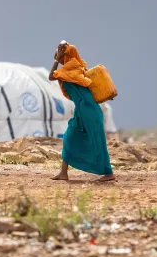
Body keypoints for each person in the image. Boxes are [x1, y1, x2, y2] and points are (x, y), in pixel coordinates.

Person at [48, 41, 115, 182]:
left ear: (65, 55)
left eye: (60, 53)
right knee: (69, 137)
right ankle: (63, 173)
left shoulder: (71, 68)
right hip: (81, 109)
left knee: (98, 141)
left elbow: (51, 76)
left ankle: (108, 173)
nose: (57, 54)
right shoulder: (75, 66)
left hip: (89, 110)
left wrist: (56, 58)